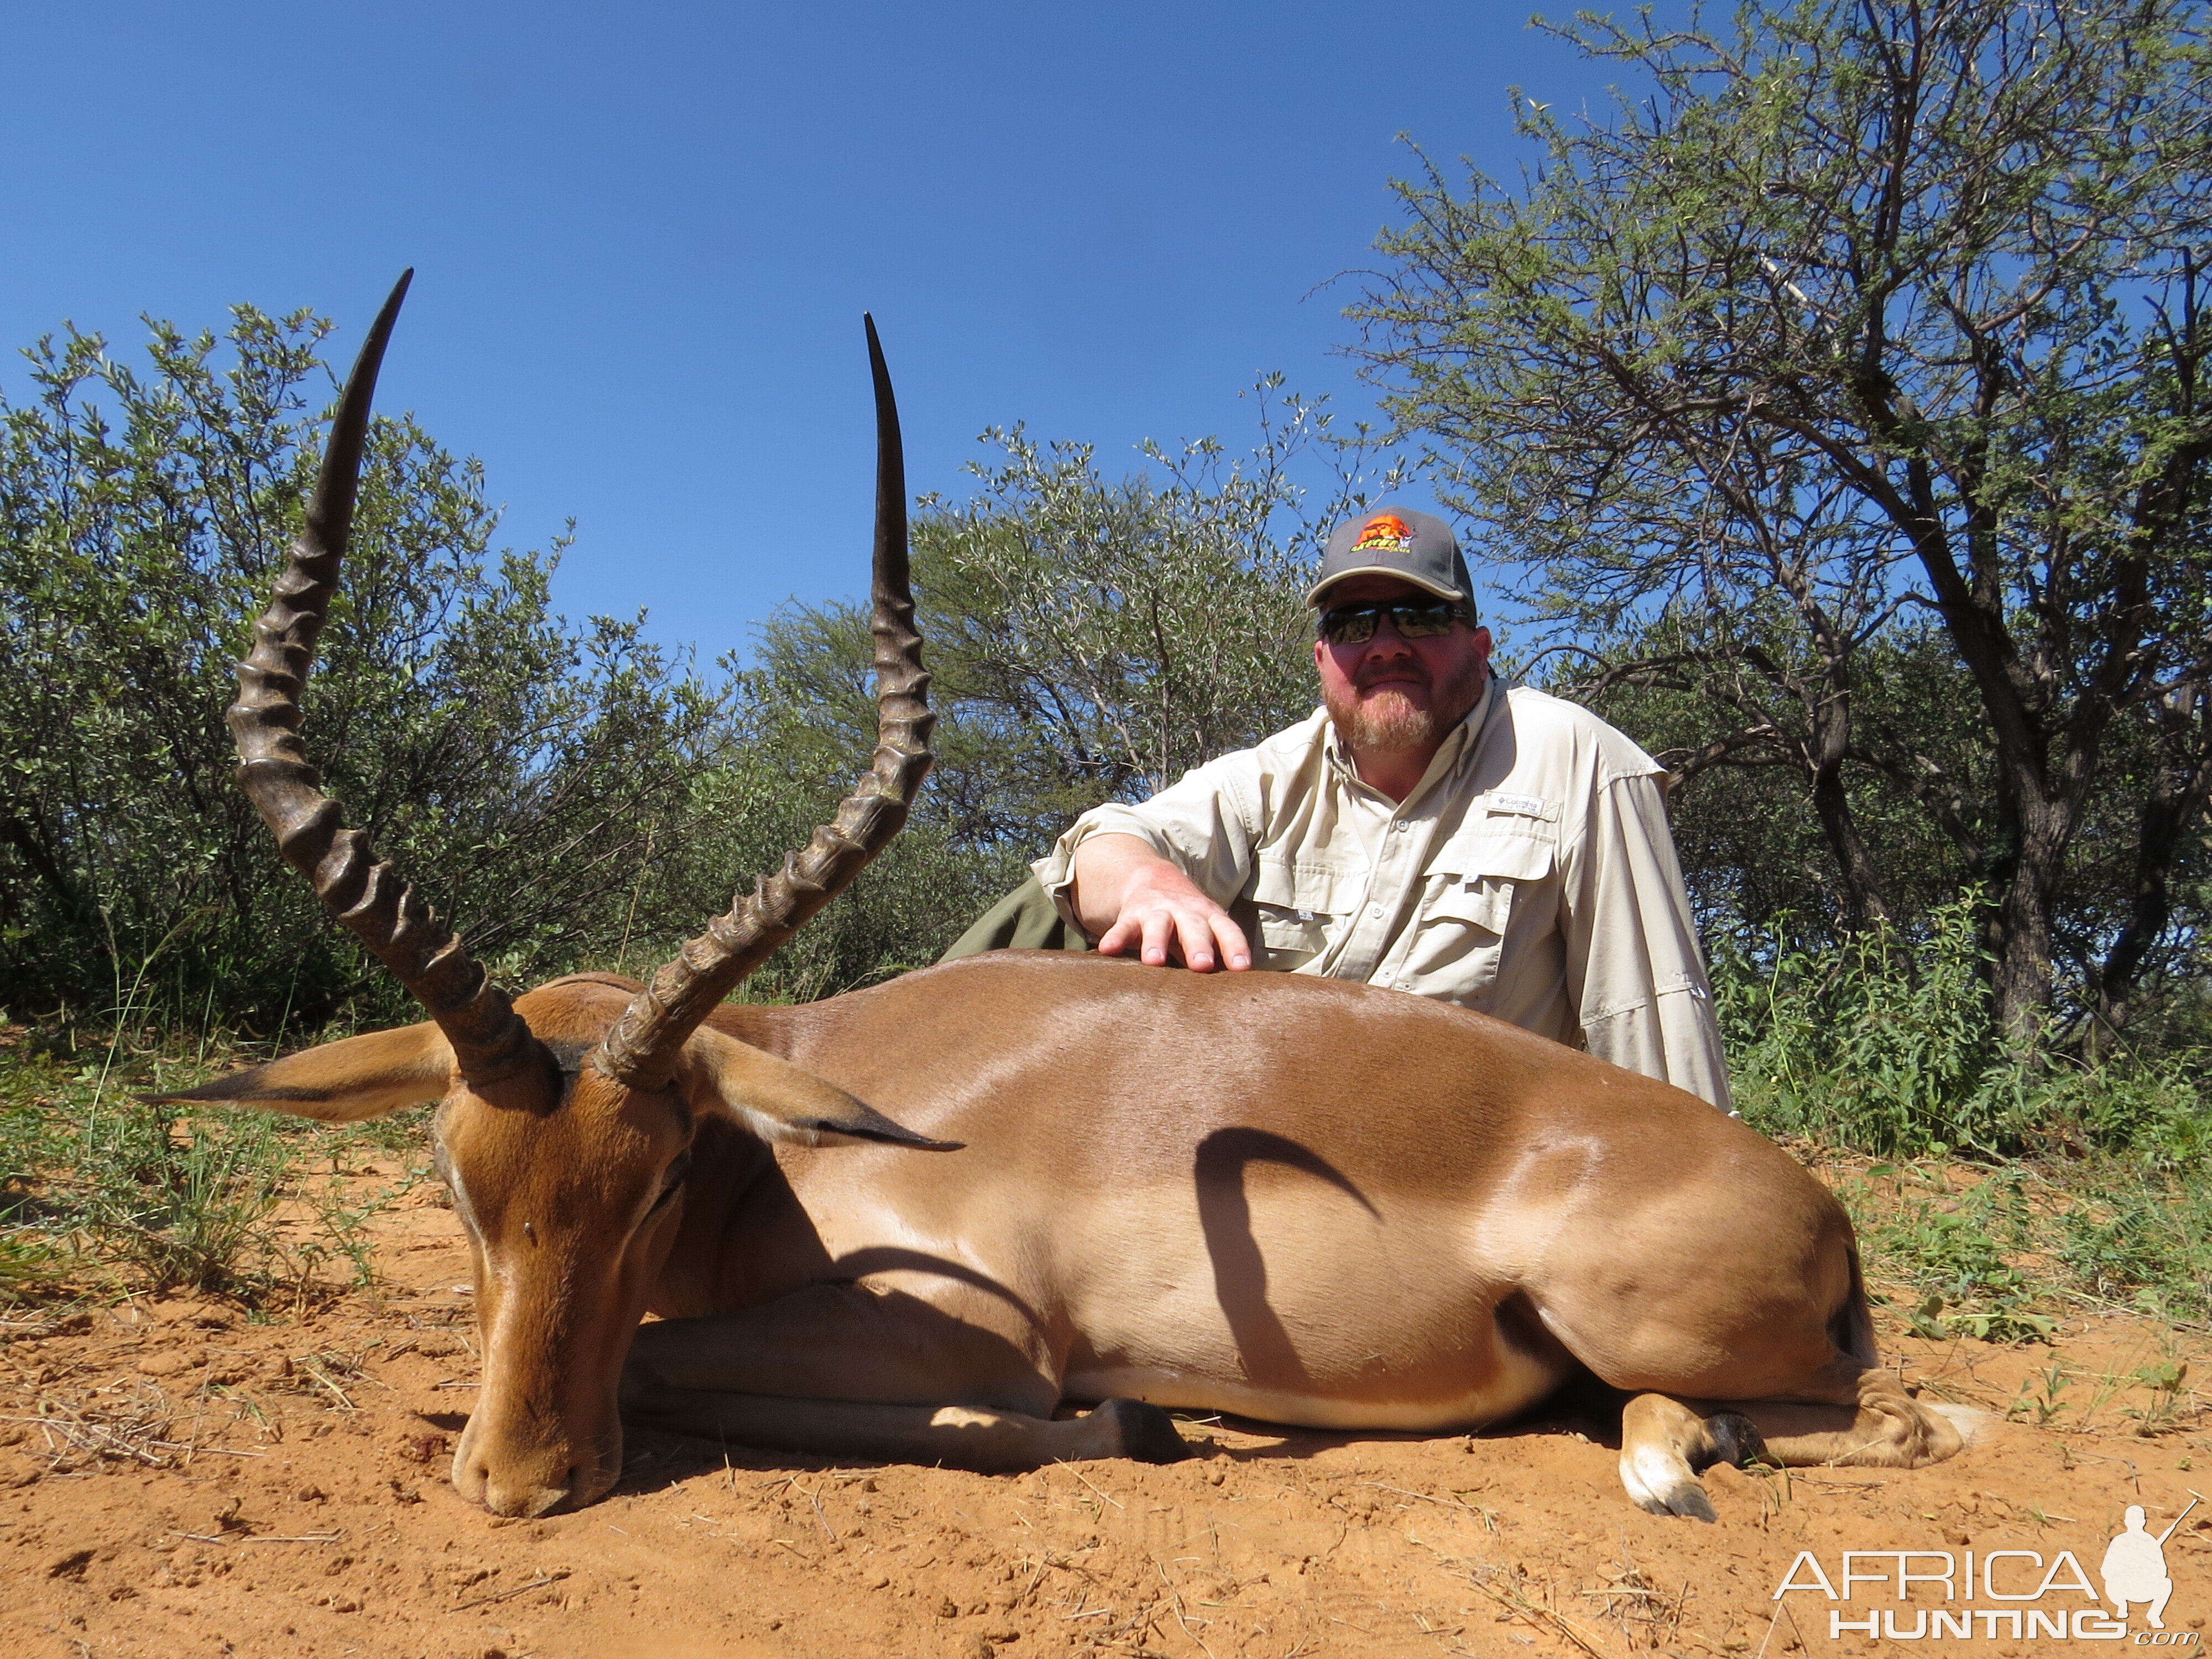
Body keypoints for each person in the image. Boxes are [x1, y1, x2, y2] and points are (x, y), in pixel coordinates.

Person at [940, 505, 1733, 1109]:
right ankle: (903, 1138)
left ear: (1481, 644)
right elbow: (1107, 843)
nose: (1386, 643)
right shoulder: (1270, 775)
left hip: (1463, 1172)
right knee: (1045, 918)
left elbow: (1652, 1026)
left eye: (1420, 616)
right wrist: (1152, 884)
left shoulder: (1578, 759)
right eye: (1354, 622)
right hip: (1271, 1141)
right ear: (1323, 657)